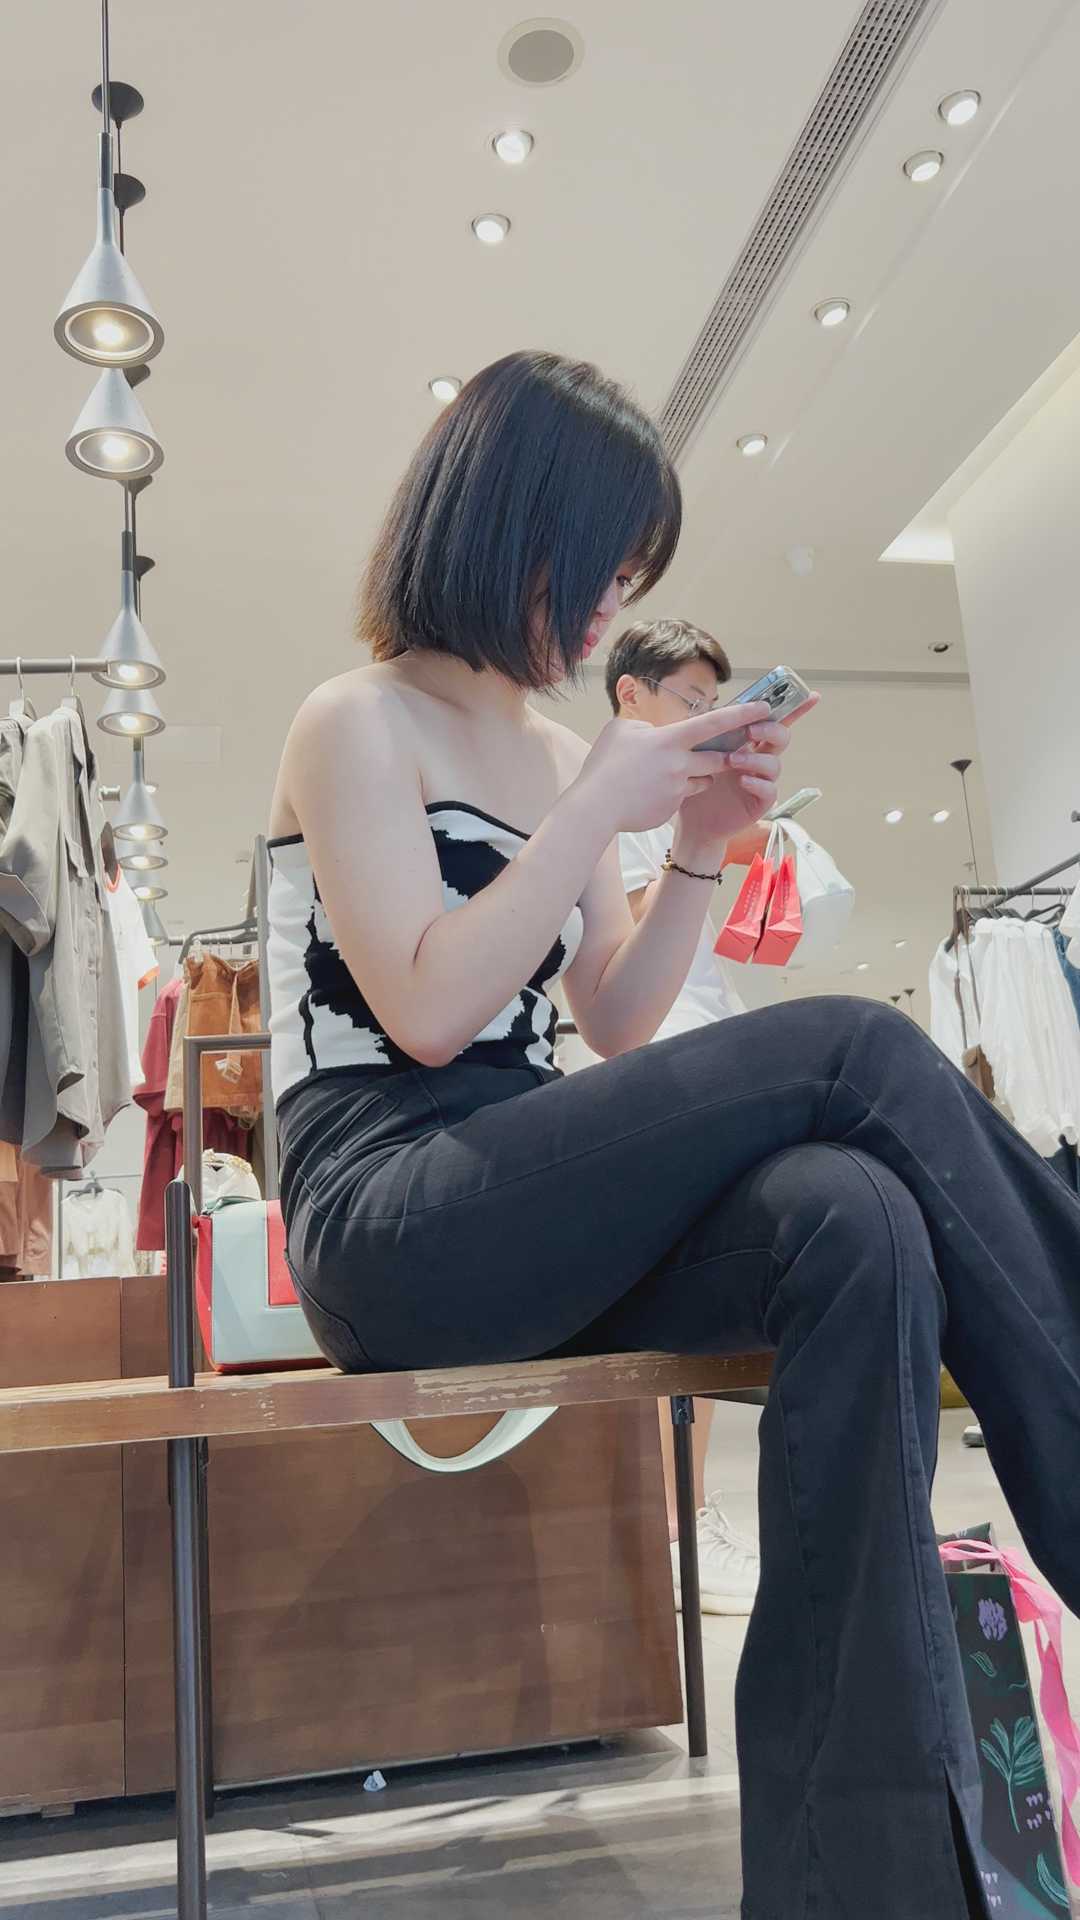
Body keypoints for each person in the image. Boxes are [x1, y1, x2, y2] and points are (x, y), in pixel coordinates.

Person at [267, 349, 1080, 1920]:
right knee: (854, 1045)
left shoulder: (556, 755)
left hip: (525, 1188)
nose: (607, 613)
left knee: (857, 1219)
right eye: (602, 568)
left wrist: (697, 844)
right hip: (389, 1214)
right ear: (508, 524)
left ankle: (860, 1885)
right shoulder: (352, 722)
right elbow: (425, 1012)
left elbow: (619, 1017)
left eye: (632, 579)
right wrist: (599, 808)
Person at [606, 617, 763, 1614]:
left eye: (714, 702)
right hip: (660, 1058)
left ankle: (680, 1522)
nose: (703, 716)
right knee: (680, 1299)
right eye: (690, 700)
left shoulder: (670, 802)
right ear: (631, 692)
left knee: (696, 1297)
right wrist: (697, 839)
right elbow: (624, 954)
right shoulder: (624, 797)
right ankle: (675, 1527)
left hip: (696, 1045)